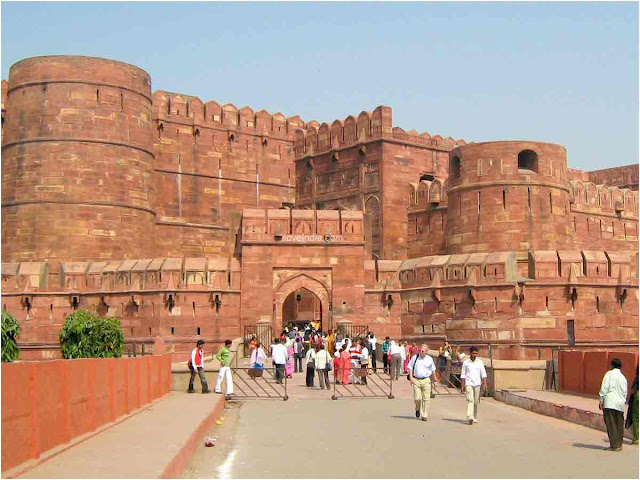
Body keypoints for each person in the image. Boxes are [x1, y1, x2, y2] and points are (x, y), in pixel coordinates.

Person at [599, 358, 628, 451]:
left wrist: (601, 399)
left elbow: (604, 387)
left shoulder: (609, 374)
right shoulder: (623, 378)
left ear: (612, 365)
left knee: (611, 424)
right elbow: (625, 392)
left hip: (610, 402)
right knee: (619, 424)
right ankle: (619, 444)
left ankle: (614, 445)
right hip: (620, 404)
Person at [408, 344, 437, 421]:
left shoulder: (429, 359)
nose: (421, 352)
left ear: (427, 351)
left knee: (426, 398)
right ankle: (417, 409)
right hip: (416, 380)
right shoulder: (415, 357)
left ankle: (424, 415)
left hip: (426, 380)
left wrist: (434, 380)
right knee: (417, 398)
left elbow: (433, 370)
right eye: (420, 350)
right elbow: (410, 368)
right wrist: (411, 378)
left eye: (423, 351)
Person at [460, 346, 487, 425]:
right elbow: (463, 375)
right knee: (470, 400)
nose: (474, 355)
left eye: (476, 353)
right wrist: (462, 386)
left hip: (477, 384)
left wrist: (485, 383)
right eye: (473, 353)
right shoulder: (466, 363)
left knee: (475, 401)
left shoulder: (480, 362)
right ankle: (470, 416)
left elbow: (483, 374)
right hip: (468, 383)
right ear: (470, 353)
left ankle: (474, 416)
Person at [625, 366, 639, 445]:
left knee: (635, 417)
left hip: (637, 398)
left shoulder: (637, 378)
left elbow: (634, 389)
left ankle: (636, 438)